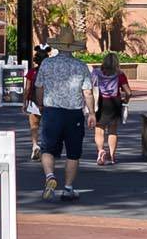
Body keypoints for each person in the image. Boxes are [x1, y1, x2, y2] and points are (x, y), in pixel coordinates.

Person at [30, 42, 98, 201]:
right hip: (74, 114)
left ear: (58, 46)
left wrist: (40, 104)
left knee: (47, 149)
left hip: (52, 111)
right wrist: (92, 113)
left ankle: (50, 176)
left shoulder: (47, 63)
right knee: (73, 153)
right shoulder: (81, 66)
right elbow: (88, 92)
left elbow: (39, 87)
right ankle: (68, 188)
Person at [93, 53, 131, 165]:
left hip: (100, 102)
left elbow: (90, 87)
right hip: (114, 103)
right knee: (113, 131)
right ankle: (112, 156)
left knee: (99, 130)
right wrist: (125, 100)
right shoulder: (120, 75)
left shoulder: (97, 73)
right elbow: (129, 92)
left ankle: (101, 151)